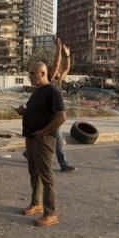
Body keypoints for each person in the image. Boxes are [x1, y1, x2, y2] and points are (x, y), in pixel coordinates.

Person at [16, 61, 66, 227]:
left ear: (42, 73)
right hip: (31, 138)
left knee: (47, 178)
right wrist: (24, 111)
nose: (29, 76)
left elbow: (61, 117)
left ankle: (50, 213)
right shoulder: (38, 92)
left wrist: (44, 132)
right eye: (29, 73)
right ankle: (35, 203)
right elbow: (37, 111)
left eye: (32, 73)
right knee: (34, 173)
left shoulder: (52, 91)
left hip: (43, 140)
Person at [48, 38, 76, 173]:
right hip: (51, 116)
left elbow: (66, 68)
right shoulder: (50, 80)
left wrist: (67, 55)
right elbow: (56, 64)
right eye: (56, 70)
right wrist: (58, 50)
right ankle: (63, 164)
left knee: (45, 137)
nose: (59, 71)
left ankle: (28, 153)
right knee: (58, 140)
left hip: (53, 115)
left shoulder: (58, 82)